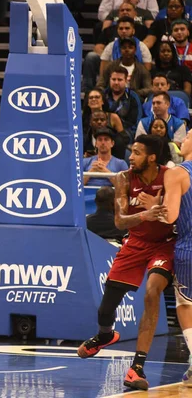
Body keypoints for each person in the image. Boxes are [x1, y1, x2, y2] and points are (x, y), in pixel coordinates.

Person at [77, 135, 175, 391]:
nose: (131, 157)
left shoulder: (168, 176)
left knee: (152, 292)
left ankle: (137, 368)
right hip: (135, 243)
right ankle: (106, 335)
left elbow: (176, 212)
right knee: (105, 309)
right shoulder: (123, 178)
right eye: (131, 152)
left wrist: (160, 207)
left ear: (152, 157)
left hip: (164, 244)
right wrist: (146, 213)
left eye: (138, 152)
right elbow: (120, 222)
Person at [162, 129, 192, 387]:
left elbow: (170, 217)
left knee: (185, 304)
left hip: (188, 249)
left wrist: (154, 206)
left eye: (189, 135)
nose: (183, 139)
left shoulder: (177, 173)